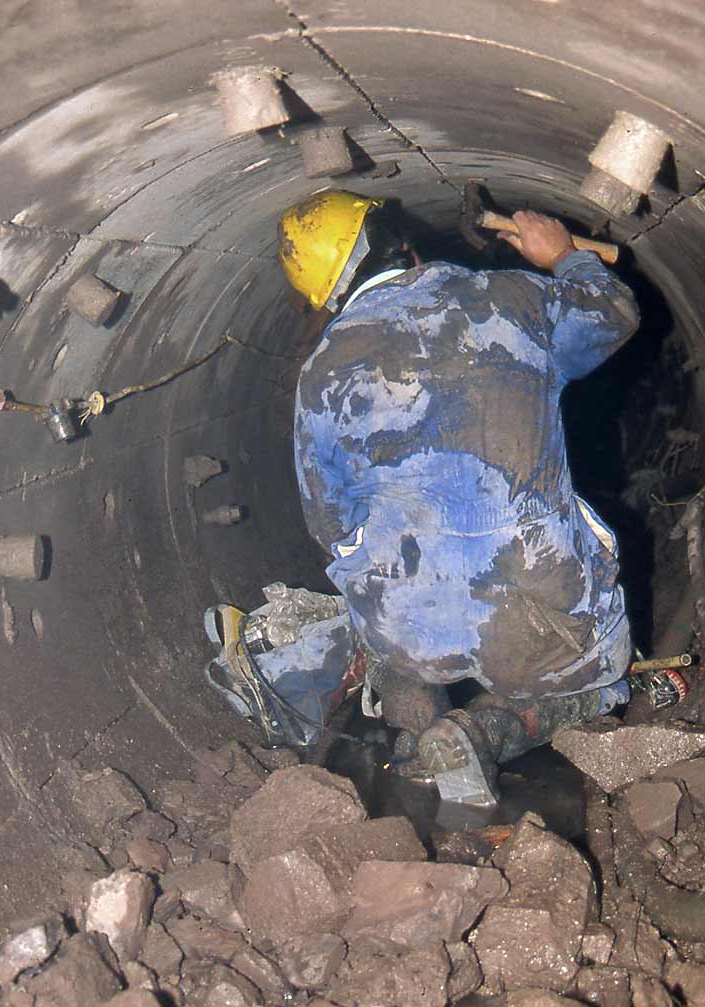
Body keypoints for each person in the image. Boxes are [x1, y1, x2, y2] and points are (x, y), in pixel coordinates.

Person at [205, 191, 640, 806]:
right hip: (537, 603)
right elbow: (611, 316)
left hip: (408, 622)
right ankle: (487, 728)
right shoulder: (511, 301)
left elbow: (329, 522)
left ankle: (416, 733)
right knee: (600, 679)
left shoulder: (322, 372)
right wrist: (567, 257)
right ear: (401, 242)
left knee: (385, 627)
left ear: (326, 295)